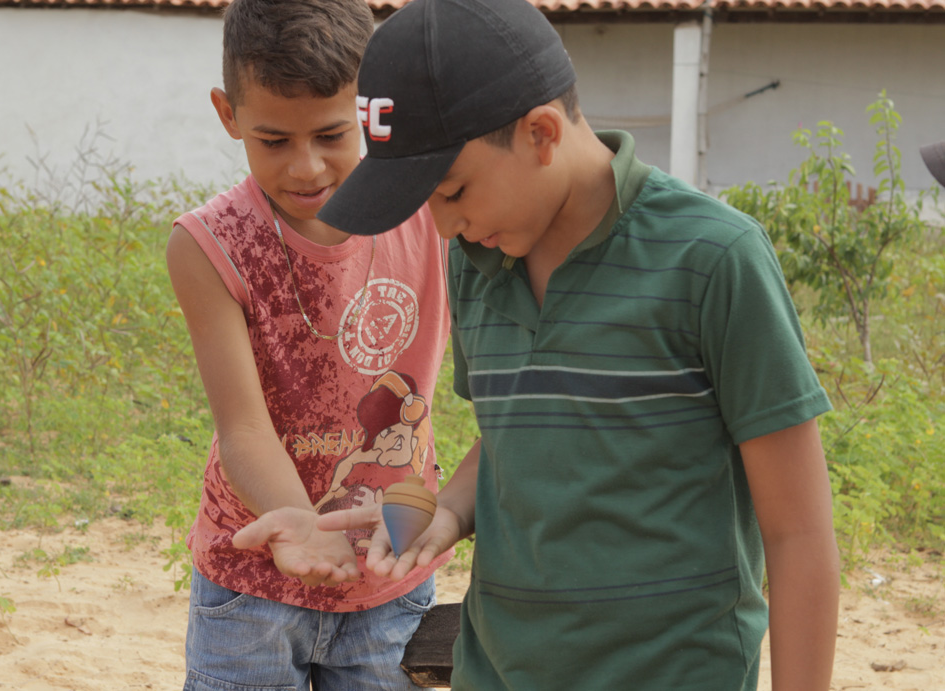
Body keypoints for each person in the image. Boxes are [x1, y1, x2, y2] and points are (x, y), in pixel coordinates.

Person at [316, 0, 840, 689]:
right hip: (500, 669)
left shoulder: (712, 260)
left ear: (540, 134)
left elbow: (798, 535)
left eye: (453, 190)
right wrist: (448, 509)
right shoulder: (477, 261)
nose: (443, 227)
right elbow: (508, 433)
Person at [164, 0, 452, 688]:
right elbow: (242, 429)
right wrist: (305, 525)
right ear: (226, 113)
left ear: (371, 111)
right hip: (250, 589)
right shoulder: (209, 246)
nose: (306, 167)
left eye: (330, 135)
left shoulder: (434, 217)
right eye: (273, 140)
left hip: (391, 575)